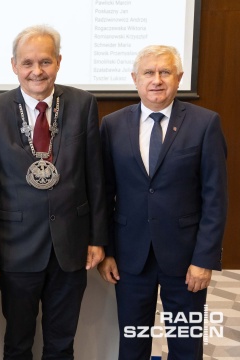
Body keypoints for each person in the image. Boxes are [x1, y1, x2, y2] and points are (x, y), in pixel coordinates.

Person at [0, 25, 108, 359]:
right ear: (14, 65)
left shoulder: (83, 104)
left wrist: (98, 237)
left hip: (71, 246)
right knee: (18, 342)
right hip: (15, 248)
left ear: (59, 62)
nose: (37, 71)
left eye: (45, 61)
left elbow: (96, 178)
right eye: (28, 62)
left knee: (62, 343)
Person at [97, 45, 228, 359]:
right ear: (135, 79)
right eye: (148, 72)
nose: (156, 80)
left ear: (179, 78)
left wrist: (204, 259)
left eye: (164, 72)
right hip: (130, 256)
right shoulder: (112, 125)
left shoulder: (205, 123)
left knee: (185, 343)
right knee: (132, 342)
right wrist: (107, 251)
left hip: (186, 258)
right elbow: (104, 194)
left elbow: (215, 197)